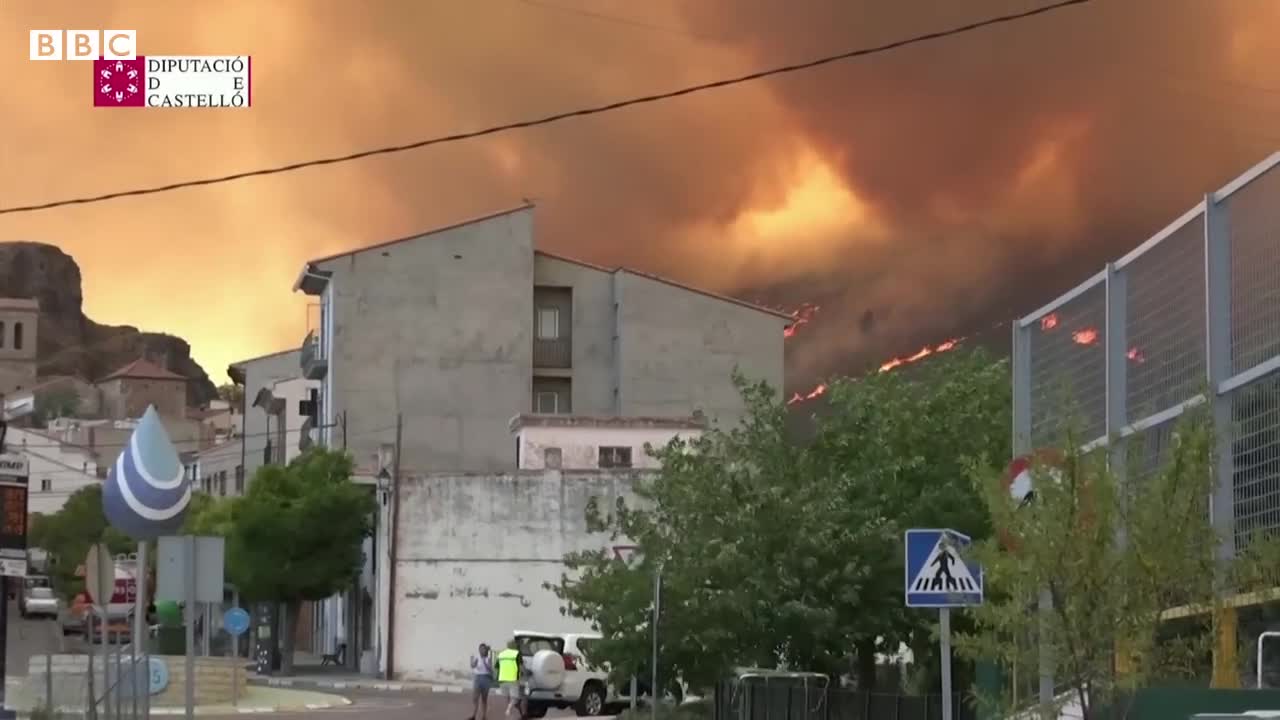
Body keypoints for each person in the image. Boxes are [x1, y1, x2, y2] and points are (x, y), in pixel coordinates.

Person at [495, 639, 524, 718]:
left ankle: (510, 715)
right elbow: (521, 667)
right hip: (512, 678)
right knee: (515, 698)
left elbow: (497, 667)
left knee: (507, 697)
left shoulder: (501, 654)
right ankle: (509, 709)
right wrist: (523, 674)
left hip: (502, 679)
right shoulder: (517, 653)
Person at [469, 642, 496, 720]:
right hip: (477, 678)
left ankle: (484, 716)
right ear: (479, 650)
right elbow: (472, 666)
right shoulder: (476, 657)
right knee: (475, 698)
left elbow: (491, 670)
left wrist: (486, 664)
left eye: (483, 649)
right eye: (480, 649)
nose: (482, 650)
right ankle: (474, 715)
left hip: (485, 678)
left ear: (485, 650)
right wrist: (473, 662)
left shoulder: (488, 658)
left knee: (484, 699)